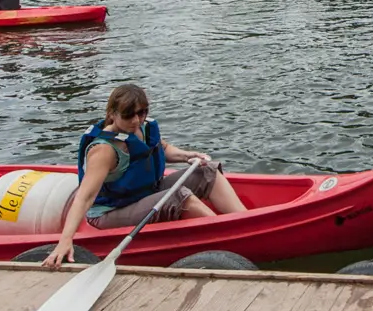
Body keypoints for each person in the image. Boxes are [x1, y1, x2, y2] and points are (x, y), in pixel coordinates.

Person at [45, 84, 247, 268]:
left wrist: (187, 156)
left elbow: (162, 148)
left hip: (143, 193)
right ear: (112, 114)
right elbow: (85, 197)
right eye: (129, 115)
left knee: (205, 171)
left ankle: (245, 225)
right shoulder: (104, 150)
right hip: (111, 211)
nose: (136, 120)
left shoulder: (142, 127)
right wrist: (65, 240)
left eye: (141, 113)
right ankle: (231, 244)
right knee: (179, 195)